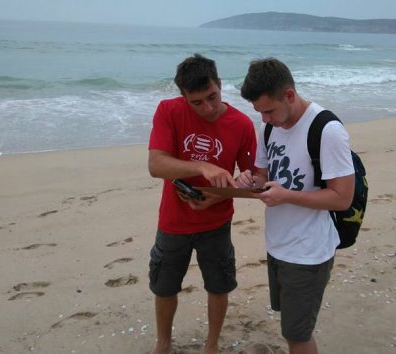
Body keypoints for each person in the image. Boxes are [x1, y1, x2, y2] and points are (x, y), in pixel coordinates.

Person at [236, 58, 355, 354]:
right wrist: (251, 180)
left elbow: (342, 198)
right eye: (259, 112)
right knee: (290, 325)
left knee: (297, 334)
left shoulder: (327, 130)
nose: (264, 119)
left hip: (309, 252)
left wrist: (287, 195)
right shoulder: (269, 128)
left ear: (289, 95)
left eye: (268, 110)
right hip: (278, 244)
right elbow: (264, 175)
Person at [147, 53, 257, 354]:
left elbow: (256, 183)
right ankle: (164, 343)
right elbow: (156, 165)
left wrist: (218, 195)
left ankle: (211, 345)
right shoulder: (168, 111)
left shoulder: (242, 124)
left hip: (217, 223)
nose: (207, 108)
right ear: (183, 97)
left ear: (220, 84)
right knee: (164, 287)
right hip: (173, 221)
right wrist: (202, 167)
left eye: (213, 96)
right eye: (197, 102)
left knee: (219, 286)